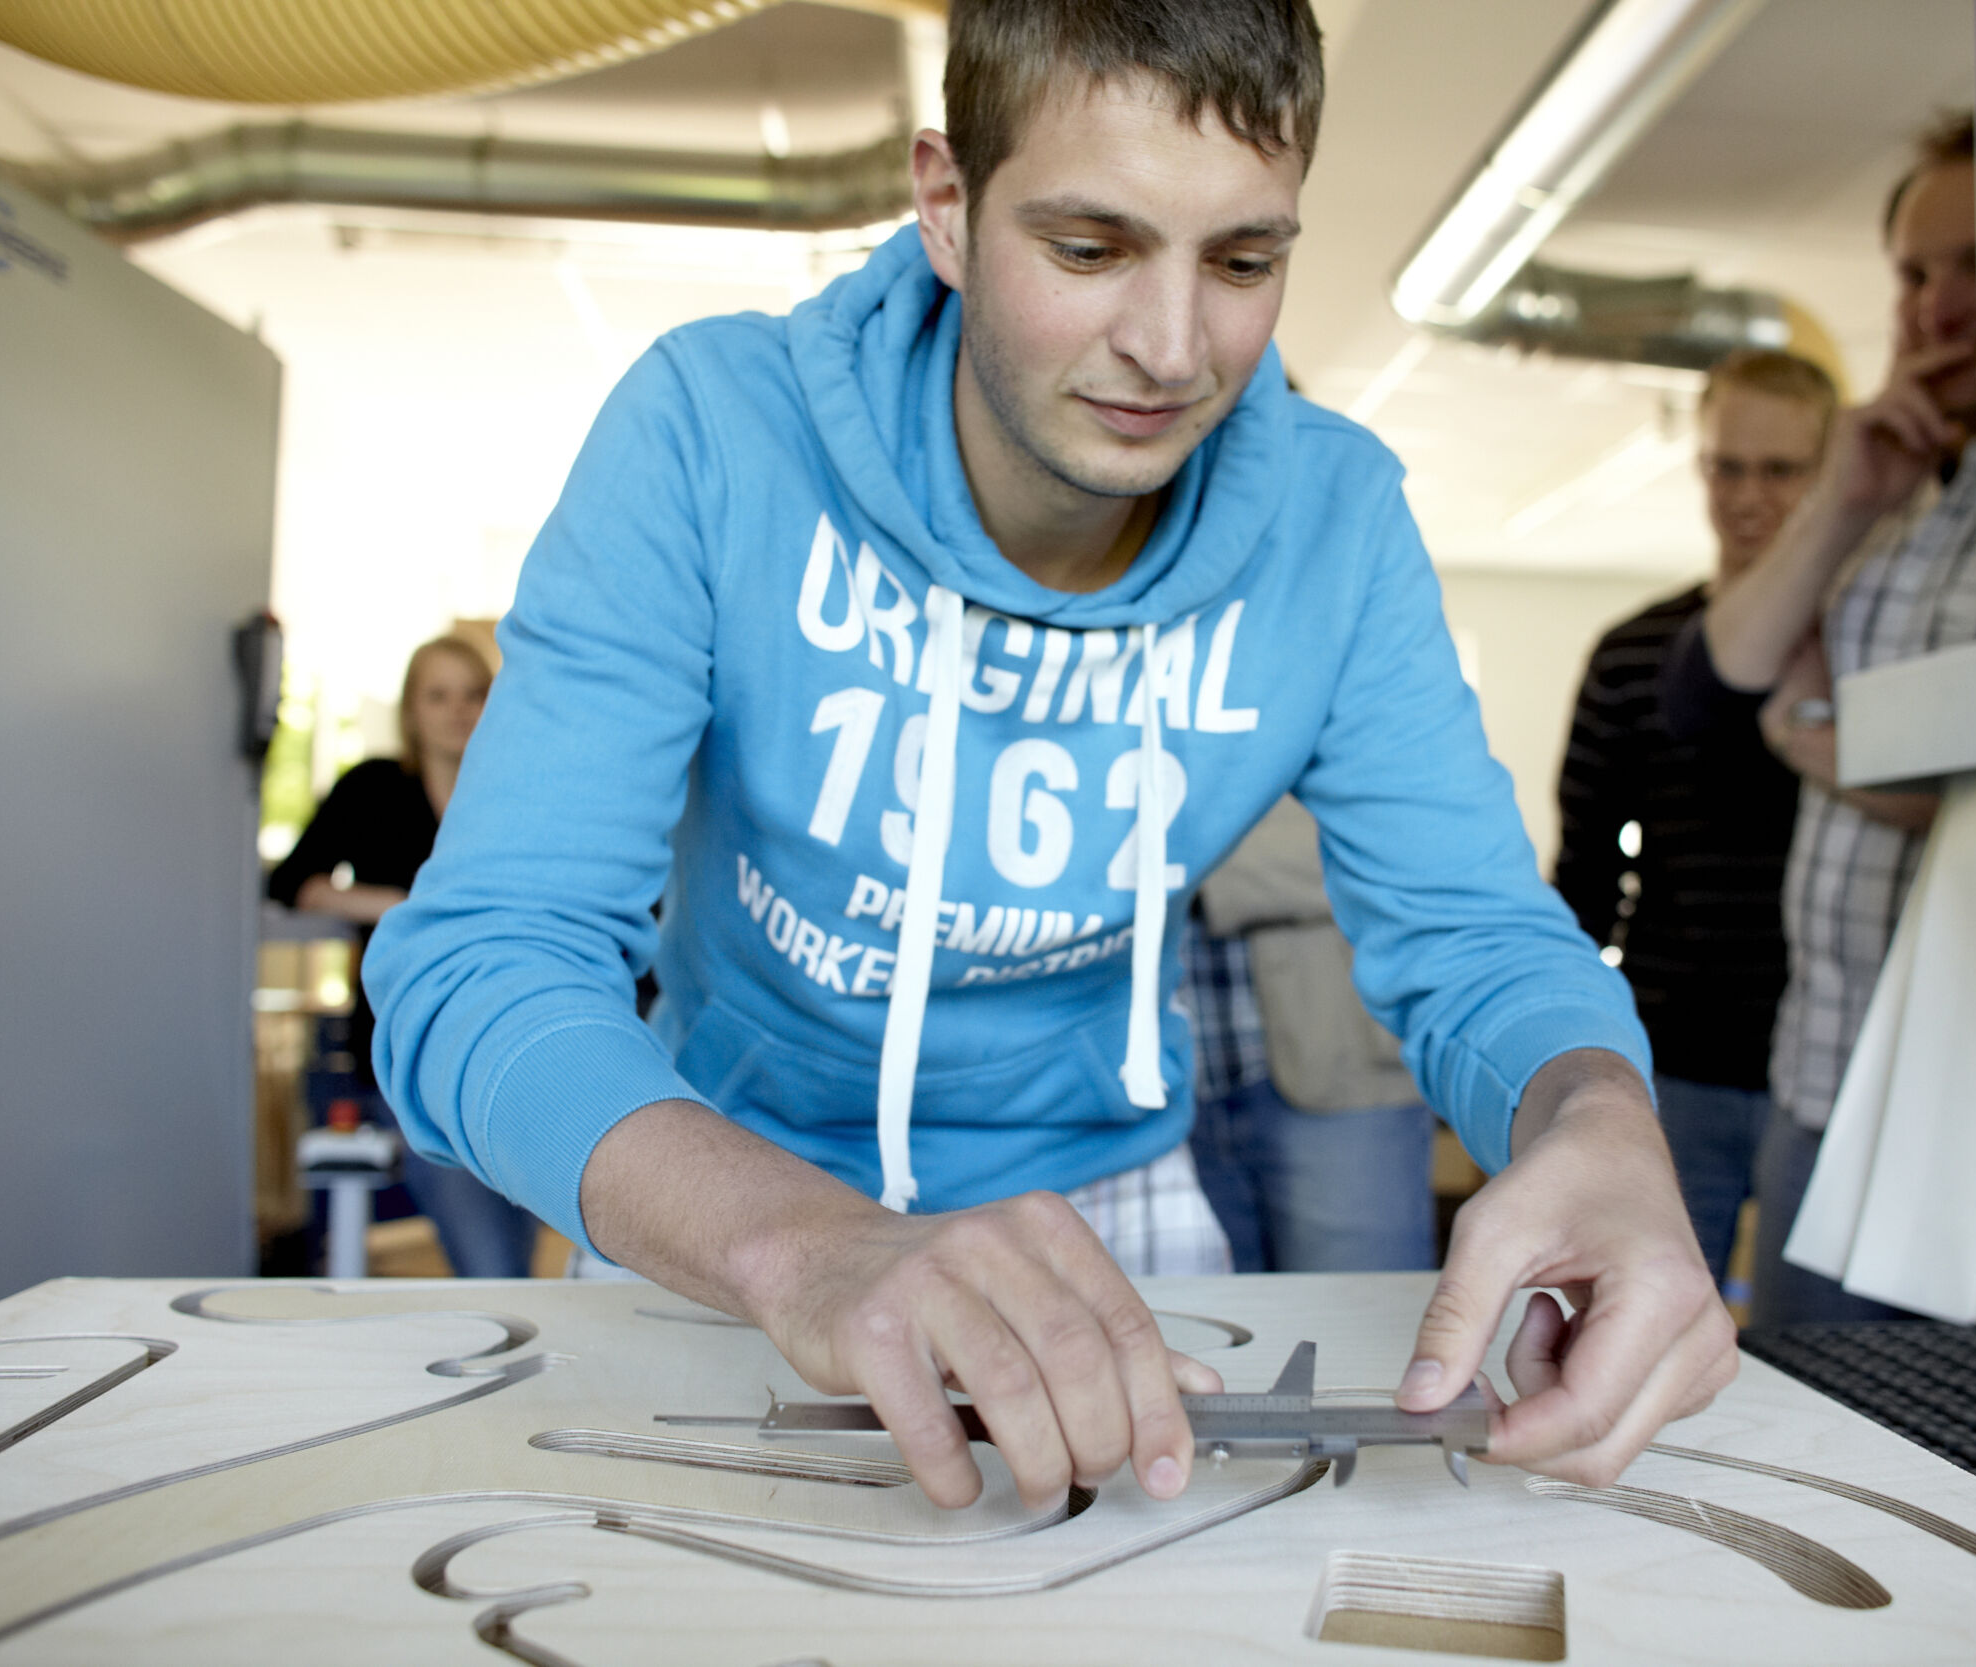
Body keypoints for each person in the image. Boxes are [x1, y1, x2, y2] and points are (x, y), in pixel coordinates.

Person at [368, 0, 1733, 1514]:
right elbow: (484, 963)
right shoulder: (710, 429)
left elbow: (1477, 937)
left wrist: (1600, 1116)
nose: (1171, 348)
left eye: (1243, 262)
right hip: (726, 1194)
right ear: (946, 205)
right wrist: (807, 1243)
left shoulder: (1339, 521)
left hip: (1110, 1207)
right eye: (1089, 249)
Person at [1665, 114, 1976, 1328]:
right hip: (1821, 1067)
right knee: (1794, 1399)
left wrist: (1818, 740)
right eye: (1913, 274)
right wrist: (1845, 496)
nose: (1935, 307)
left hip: (1967, 1095)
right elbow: (1711, 689)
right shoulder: (1898, 505)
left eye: (1975, 266)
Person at [1554, 349, 1833, 1291]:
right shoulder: (1632, 654)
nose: (1748, 497)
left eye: (1781, 470)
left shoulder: (1865, 651)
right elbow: (1585, 876)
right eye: (1727, 467)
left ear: (1831, 475)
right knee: (1644, 1315)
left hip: (1836, 1064)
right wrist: (1571, 1059)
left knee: (1813, 1348)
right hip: (1676, 1061)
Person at [268, 635, 540, 1279]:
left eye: (473, 694)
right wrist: (399, 904)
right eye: (438, 696)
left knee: (520, 1255)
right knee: (493, 1266)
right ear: (411, 710)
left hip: (513, 1042)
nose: (458, 711)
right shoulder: (373, 788)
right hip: (412, 1051)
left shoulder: (518, 795)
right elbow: (292, 882)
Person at [1183, 796, 1436, 1274]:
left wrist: (1167, 866)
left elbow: (1412, 834)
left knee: (1361, 1314)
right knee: (1196, 1319)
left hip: (1340, 1065)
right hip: (1157, 1091)